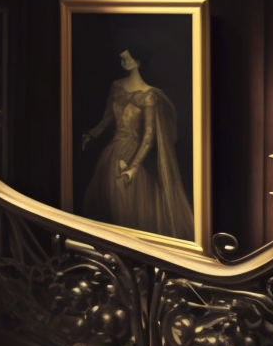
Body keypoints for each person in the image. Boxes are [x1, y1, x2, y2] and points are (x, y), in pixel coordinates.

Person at [81, 48, 194, 240]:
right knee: (108, 205)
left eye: (128, 55)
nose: (122, 56)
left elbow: (149, 135)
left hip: (134, 154)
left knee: (130, 208)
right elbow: (107, 116)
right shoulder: (116, 86)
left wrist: (133, 168)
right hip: (113, 151)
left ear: (138, 62)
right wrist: (92, 134)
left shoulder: (149, 95)